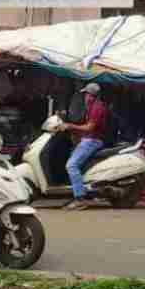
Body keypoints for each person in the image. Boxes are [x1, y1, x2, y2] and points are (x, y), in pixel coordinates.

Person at [61, 82, 113, 211]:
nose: (84, 97)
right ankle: (77, 192)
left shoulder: (97, 108)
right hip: (88, 139)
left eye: (86, 94)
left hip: (93, 140)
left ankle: (80, 199)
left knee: (71, 165)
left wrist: (70, 126)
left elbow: (90, 127)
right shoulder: (91, 107)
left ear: (91, 95)